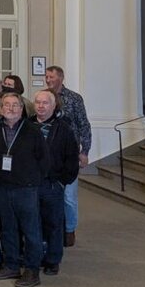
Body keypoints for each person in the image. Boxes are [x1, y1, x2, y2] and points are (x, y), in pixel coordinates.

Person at [0, 92, 50, 287]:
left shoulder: (32, 131)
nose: (11, 108)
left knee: (31, 230)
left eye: (15, 105)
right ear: (0, 109)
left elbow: (44, 160)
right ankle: (11, 265)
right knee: (8, 228)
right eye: (6, 105)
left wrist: (33, 181)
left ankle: (32, 270)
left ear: (22, 108)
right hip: (3, 187)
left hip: (26, 189)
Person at [34, 88, 81, 276]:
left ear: (53, 106)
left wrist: (63, 181)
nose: (41, 106)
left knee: (53, 223)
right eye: (38, 102)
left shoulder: (64, 129)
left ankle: (53, 260)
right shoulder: (28, 125)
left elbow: (71, 157)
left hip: (53, 184)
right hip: (31, 184)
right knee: (34, 222)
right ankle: (36, 255)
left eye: (45, 103)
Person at [44, 65, 91, 248]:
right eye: (46, 76)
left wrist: (85, 151)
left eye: (51, 77)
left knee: (68, 196)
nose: (48, 80)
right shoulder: (43, 97)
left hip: (69, 153)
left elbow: (84, 125)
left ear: (61, 78)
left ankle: (69, 229)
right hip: (49, 153)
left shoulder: (74, 99)